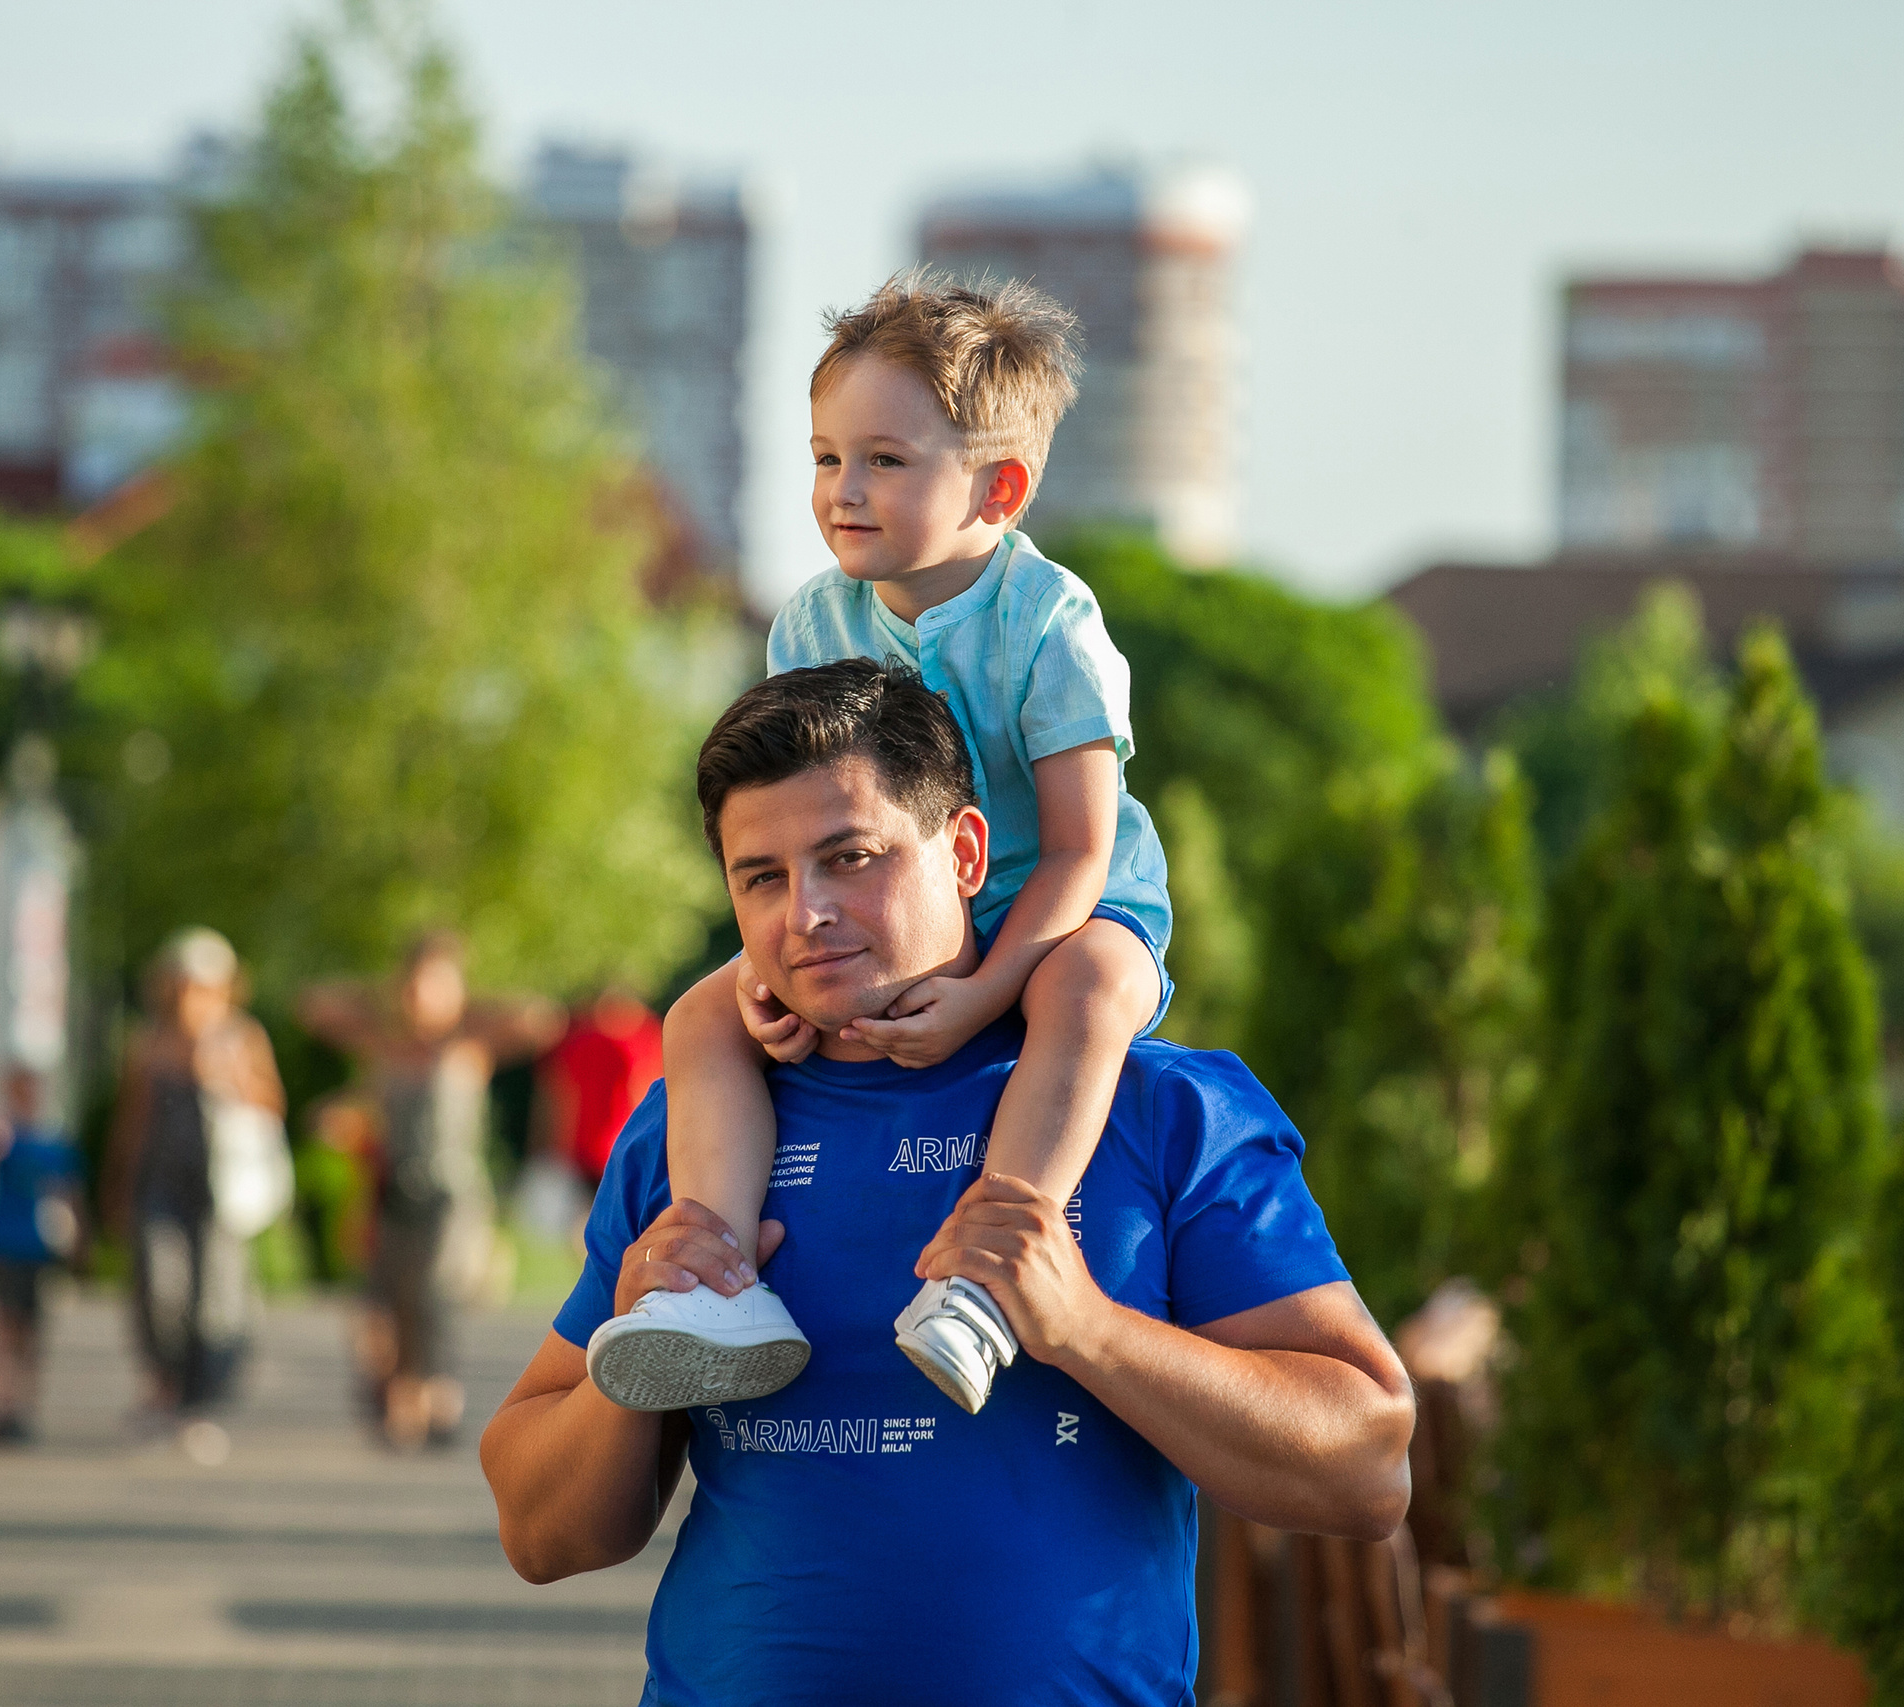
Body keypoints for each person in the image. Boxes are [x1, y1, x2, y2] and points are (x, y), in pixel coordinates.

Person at [481, 661, 1412, 1705]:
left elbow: (1365, 1466)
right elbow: (539, 1535)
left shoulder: (1161, 1109)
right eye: (762, 878)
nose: (807, 915)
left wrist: (1088, 1331)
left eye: (851, 858)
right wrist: (635, 1350)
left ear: (965, 852)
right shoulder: (696, 1133)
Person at [604, 271, 1171, 1417]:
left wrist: (982, 993)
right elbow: (787, 831)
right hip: (885, 918)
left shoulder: (1049, 625)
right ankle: (714, 1278)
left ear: (995, 489)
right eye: (824, 458)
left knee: (1097, 985)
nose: (842, 490)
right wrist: (768, 973)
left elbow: (1076, 852)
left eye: (885, 461)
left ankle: (988, 1275)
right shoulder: (810, 623)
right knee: (702, 1015)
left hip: (1055, 908)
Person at [299, 934, 562, 1450]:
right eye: (414, 985)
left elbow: (542, 1017)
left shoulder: (469, 1045)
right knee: (379, 1303)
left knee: (429, 1297)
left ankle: (428, 1399)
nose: (422, 996)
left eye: (435, 985)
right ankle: (402, 1397)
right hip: (388, 1190)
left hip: (451, 1196)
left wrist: (462, 1005)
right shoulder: (385, 1044)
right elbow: (315, 1006)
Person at [103, 927, 285, 1458]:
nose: (191, 997)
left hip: (220, 1187)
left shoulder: (241, 1038)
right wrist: (116, 1184)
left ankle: (199, 1405)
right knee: (158, 1287)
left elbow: (272, 1107)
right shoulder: (148, 1042)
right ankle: (163, 1386)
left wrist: (227, 1078)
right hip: (161, 1183)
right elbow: (131, 1122)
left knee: (214, 1299)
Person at [0, 1062, 82, 1446]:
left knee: (30, 1332)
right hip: (1, 1244)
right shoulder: (4, 1135)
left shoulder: (51, 1144)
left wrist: (79, 1244)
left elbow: (71, 1195)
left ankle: (23, 1406)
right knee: (2, 1326)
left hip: (36, 1247)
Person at [543, 989, 665, 1191]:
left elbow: (560, 1100)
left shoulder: (576, 1039)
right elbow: (644, 1094)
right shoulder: (642, 1038)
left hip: (580, 1151)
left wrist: (556, 1149)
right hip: (623, 1149)